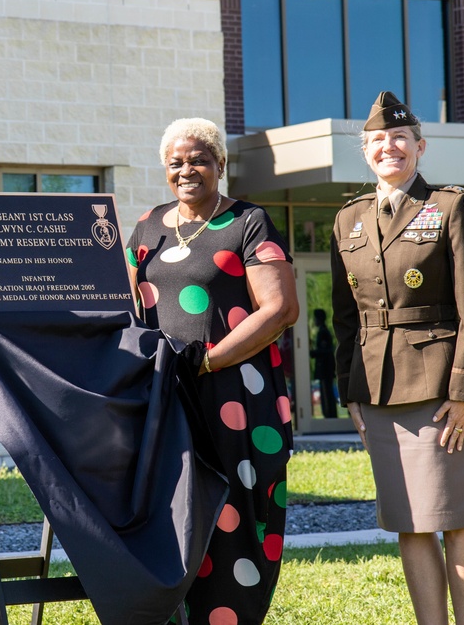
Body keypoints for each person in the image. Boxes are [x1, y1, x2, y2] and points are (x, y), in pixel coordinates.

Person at [331, 91, 464, 625]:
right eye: (378, 141)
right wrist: (348, 391)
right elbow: (344, 318)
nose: (389, 147)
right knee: (410, 521)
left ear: (419, 147)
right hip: (377, 390)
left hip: (440, 390)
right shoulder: (348, 219)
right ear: (366, 153)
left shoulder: (449, 207)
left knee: (458, 518)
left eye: (399, 138)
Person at [126, 117, 298, 624]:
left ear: (220, 164)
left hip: (237, 397)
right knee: (173, 516)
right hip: (166, 397)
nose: (187, 170)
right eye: (176, 162)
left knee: (236, 516)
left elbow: (280, 309)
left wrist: (209, 358)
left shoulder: (249, 221)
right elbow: (128, 310)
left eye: (199, 159)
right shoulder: (147, 226)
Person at [310, 308, 339, 418]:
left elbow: (326, 351)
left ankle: (329, 415)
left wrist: (313, 353)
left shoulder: (323, 332)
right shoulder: (323, 331)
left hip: (325, 369)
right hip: (326, 369)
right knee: (326, 393)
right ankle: (329, 414)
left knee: (327, 394)